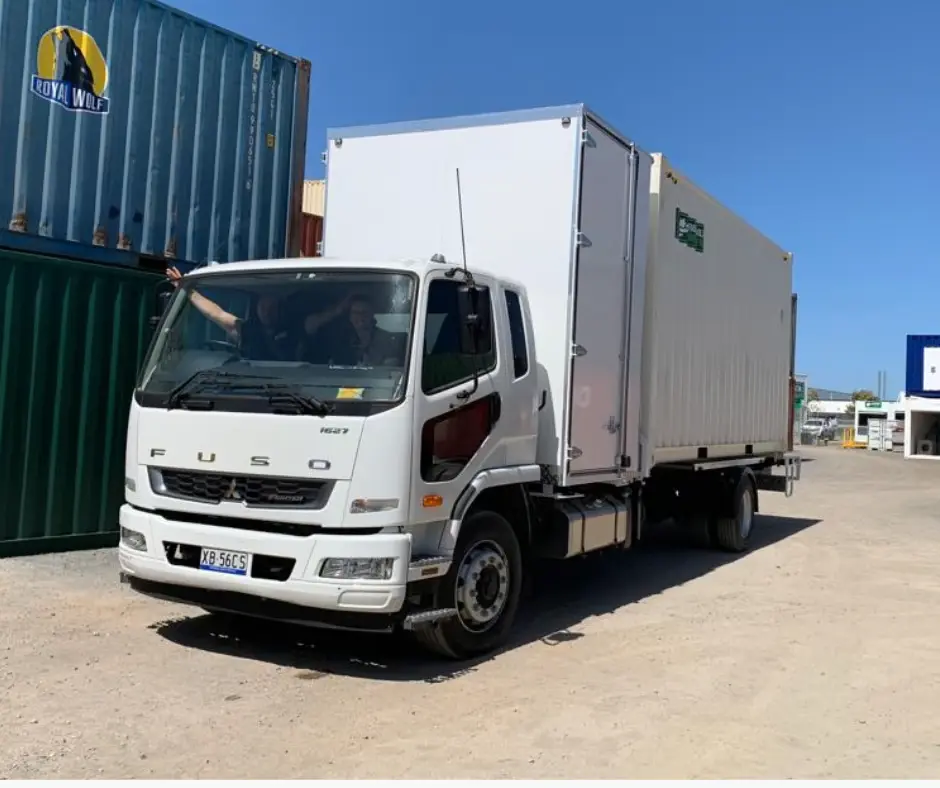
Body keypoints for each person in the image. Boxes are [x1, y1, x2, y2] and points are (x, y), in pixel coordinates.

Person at [166, 266, 295, 361]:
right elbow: (216, 313)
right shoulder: (248, 331)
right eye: (263, 307)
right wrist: (187, 290)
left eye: (271, 307)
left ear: (280, 309)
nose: (266, 312)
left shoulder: (295, 334)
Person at [308, 294, 401, 366]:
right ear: (350, 316)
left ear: (372, 314)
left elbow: (390, 370)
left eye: (364, 312)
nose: (360, 316)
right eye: (356, 312)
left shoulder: (387, 339)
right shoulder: (339, 339)